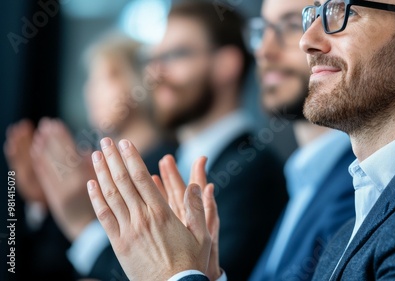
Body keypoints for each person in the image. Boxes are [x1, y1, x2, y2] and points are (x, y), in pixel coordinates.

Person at [85, 0, 395, 280]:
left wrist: (177, 275)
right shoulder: (367, 208)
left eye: (342, 13)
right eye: (312, 15)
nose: (307, 41)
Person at [75, 2, 288, 280]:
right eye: (151, 59)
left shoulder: (255, 171)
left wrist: (79, 224)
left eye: (175, 55)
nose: (155, 73)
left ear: (226, 65)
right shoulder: (159, 160)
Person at [4, 32, 174, 280]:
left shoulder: (168, 163)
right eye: (90, 79)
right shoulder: (91, 166)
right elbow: (51, 264)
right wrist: (43, 201)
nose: (91, 89)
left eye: (107, 76)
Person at [248, 0, 355, 280]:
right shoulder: (303, 178)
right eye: (264, 30)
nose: (264, 50)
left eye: (293, 25)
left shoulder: (359, 183)